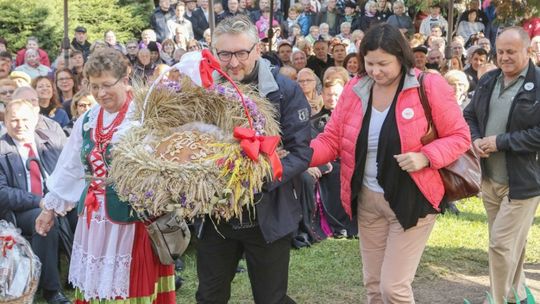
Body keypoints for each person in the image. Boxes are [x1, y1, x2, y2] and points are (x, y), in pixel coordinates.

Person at [310, 23, 471, 303]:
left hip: (412, 197)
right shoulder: (355, 87)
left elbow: (460, 137)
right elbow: (332, 139)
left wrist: (425, 157)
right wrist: (300, 156)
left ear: (401, 56)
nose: (375, 71)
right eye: (369, 63)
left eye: (383, 63)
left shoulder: (427, 85)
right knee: (373, 286)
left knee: (393, 288)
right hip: (368, 200)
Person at [35, 49, 176, 303]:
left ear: (125, 79)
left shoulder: (144, 114)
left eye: (107, 85)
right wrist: (50, 208)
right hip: (94, 219)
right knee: (97, 284)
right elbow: (71, 167)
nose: (100, 93)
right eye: (94, 86)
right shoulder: (87, 120)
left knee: (128, 286)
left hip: (133, 219)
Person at [196, 15, 311, 303]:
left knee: (270, 298)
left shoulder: (285, 92)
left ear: (257, 50)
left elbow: (300, 152)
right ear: (213, 53)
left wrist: (258, 172)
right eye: (224, 54)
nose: (233, 62)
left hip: (268, 214)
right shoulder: (204, 91)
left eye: (241, 53)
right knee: (209, 296)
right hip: (216, 215)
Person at [463, 27, 540, 304]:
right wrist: (474, 140)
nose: (504, 57)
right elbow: (469, 115)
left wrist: (501, 142)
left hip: (522, 182)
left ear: (527, 51)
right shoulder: (488, 80)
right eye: (500, 52)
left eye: (511, 52)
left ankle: (495, 300)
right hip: (489, 179)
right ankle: (517, 293)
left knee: (500, 245)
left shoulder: (538, 84)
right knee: (510, 245)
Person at [0, 99, 73, 304]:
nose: (20, 124)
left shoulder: (51, 141)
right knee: (45, 223)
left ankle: (81, 276)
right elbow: (2, 193)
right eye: (14, 120)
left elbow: (69, 173)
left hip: (58, 201)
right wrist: (41, 202)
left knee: (86, 212)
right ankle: (51, 291)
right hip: (20, 210)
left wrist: (61, 200)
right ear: (5, 121)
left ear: (35, 119)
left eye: (25, 119)